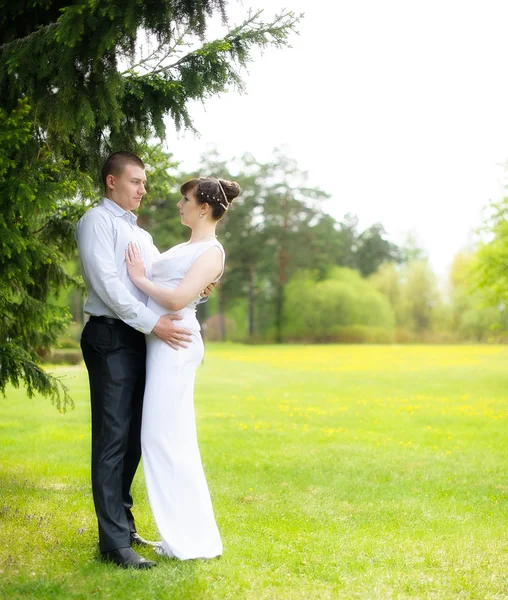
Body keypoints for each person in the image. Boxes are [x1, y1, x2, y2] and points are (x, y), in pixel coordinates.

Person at [76, 152, 214, 569]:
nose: (143, 189)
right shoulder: (95, 222)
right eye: (135, 182)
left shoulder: (139, 233)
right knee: (113, 438)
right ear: (111, 182)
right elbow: (110, 285)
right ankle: (113, 544)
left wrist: (198, 288)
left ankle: (123, 524)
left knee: (135, 436)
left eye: (144, 182)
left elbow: (158, 280)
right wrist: (154, 323)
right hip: (110, 336)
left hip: (139, 337)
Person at [125, 176, 240, 560]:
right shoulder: (186, 246)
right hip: (160, 342)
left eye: (185, 199)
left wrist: (140, 277)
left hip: (176, 344)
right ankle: (182, 535)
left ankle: (188, 539)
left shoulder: (211, 251)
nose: (180, 204)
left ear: (203, 207)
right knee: (165, 438)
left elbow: (176, 299)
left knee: (163, 438)